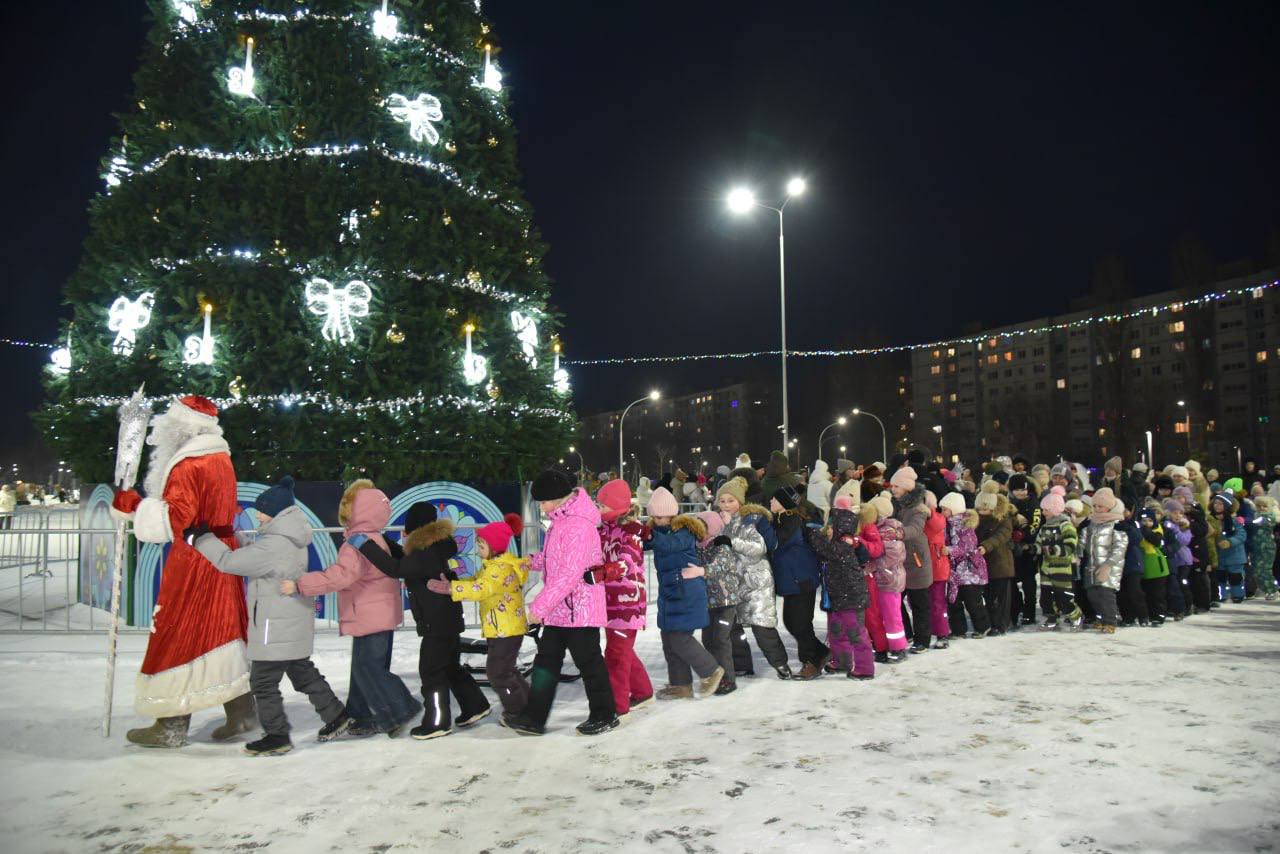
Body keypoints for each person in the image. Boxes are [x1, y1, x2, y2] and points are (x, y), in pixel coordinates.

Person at [110, 396, 252, 749]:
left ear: (182, 427)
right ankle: (242, 712)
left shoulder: (189, 465)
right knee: (222, 630)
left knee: (179, 632)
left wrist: (134, 507)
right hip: (221, 555)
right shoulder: (221, 459)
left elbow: (176, 518)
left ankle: (171, 724)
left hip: (195, 559)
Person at [196, 477, 348, 755]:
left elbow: (229, 562)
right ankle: (337, 715)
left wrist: (202, 539)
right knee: (303, 674)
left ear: (275, 512)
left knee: (263, 683)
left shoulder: (274, 544)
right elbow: (255, 556)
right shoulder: (289, 538)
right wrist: (233, 537)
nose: (257, 515)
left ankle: (277, 736)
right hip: (290, 622)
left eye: (262, 510)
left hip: (274, 627)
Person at [285, 480, 421, 737]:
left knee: (368, 668)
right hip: (376, 614)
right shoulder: (373, 538)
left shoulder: (358, 544)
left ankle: (401, 708)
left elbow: (341, 576)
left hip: (370, 615)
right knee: (363, 668)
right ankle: (361, 715)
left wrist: (302, 584)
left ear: (355, 511)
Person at [356, 500, 491, 740]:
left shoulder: (424, 551)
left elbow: (396, 568)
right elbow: (406, 562)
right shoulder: (433, 546)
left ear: (415, 527)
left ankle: (437, 722)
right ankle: (475, 705)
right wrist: (385, 542)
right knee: (449, 666)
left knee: (431, 672)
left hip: (436, 621)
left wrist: (366, 546)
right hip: (446, 618)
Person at [507, 469, 617, 736]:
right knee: (546, 662)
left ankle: (605, 714)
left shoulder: (578, 526)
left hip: (581, 609)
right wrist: (532, 561)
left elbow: (569, 573)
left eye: (543, 502)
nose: (541, 507)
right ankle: (534, 717)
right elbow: (555, 560)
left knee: (589, 663)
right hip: (561, 608)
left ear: (557, 498)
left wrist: (539, 607)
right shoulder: (560, 522)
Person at [447, 514, 532, 720]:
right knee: (506, 670)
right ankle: (529, 704)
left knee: (498, 673)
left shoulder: (500, 569)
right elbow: (476, 581)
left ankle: (517, 712)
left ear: (494, 547)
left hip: (506, 630)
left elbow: (481, 589)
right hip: (502, 628)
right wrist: (455, 581)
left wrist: (451, 588)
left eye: (481, 545)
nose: (478, 549)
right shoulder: (492, 566)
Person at [645, 488, 724, 699]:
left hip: (687, 592)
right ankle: (681, 685)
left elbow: (670, 545)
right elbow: (645, 543)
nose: (656, 521)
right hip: (671, 592)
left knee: (680, 638)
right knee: (669, 639)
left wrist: (649, 534)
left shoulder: (684, 532)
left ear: (671, 514)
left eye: (659, 517)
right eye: (653, 517)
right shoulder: (660, 531)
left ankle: (711, 670)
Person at [586, 480, 652, 718]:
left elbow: (627, 563)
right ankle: (643, 691)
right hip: (608, 601)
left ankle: (618, 706)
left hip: (627, 603)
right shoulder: (601, 530)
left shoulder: (631, 532)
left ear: (617, 507)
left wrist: (600, 574)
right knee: (622, 651)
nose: (599, 509)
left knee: (615, 655)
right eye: (598, 505)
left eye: (603, 506)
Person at [715, 477, 793, 679]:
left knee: (762, 626)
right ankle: (742, 663)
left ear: (740, 502)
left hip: (756, 582)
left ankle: (780, 663)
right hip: (733, 583)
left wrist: (732, 540)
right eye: (722, 501)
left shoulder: (749, 519)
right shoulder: (718, 522)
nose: (726, 505)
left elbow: (759, 548)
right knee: (733, 627)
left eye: (730, 500)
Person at [807, 495, 874, 679]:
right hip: (837, 596)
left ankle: (865, 668)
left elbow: (829, 551)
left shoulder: (844, 541)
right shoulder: (838, 541)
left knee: (855, 632)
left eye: (830, 527)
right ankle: (842, 661)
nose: (827, 530)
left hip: (851, 596)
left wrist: (813, 534)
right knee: (836, 631)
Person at [889, 467, 934, 653]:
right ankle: (906, 633)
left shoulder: (918, 508)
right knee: (895, 601)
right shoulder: (896, 505)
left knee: (919, 604)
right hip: (900, 562)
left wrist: (899, 533)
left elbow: (915, 529)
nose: (892, 489)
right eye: (892, 486)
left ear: (907, 487)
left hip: (916, 562)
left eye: (896, 486)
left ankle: (922, 640)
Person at [696, 509, 740, 695]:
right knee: (708, 639)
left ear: (711, 528)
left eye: (702, 528)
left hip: (725, 602)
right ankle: (714, 674)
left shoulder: (722, 545)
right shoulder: (699, 546)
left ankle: (728, 679)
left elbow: (720, 565)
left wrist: (702, 571)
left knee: (721, 640)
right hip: (708, 603)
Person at [865, 493, 909, 662]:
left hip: (889, 579)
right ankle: (884, 646)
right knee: (880, 615)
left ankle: (899, 648)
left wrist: (872, 566)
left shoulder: (888, 530)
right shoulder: (876, 528)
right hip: (880, 579)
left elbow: (893, 555)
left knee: (892, 616)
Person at [942, 492, 989, 638]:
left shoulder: (965, 525)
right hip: (954, 570)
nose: (942, 512)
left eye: (945, 509)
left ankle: (983, 626)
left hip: (970, 571)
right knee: (953, 601)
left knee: (972, 600)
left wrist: (949, 550)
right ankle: (958, 630)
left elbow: (967, 546)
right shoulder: (947, 525)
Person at [1035, 486, 1081, 629]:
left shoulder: (1065, 525)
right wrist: (1030, 548)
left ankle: (1075, 616)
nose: (1043, 513)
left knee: (1063, 595)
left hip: (1062, 568)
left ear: (1055, 509)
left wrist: (1051, 550)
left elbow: (1070, 546)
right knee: (1046, 597)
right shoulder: (1044, 527)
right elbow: (1039, 544)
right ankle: (1051, 618)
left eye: (1046, 510)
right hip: (1046, 569)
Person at [1082, 488, 1127, 634]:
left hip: (1109, 566)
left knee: (1106, 594)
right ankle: (1101, 618)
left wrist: (1108, 564)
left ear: (1109, 506)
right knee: (1092, 594)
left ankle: (1110, 621)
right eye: (1094, 506)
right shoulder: (1091, 523)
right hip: (1092, 565)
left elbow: (1120, 547)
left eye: (1100, 506)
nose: (1097, 509)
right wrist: (1077, 553)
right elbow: (1083, 541)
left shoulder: (1116, 524)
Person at [975, 484, 1014, 635]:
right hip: (983, 565)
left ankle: (1001, 624)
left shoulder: (1003, 520)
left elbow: (1001, 536)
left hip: (1000, 565)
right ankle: (991, 622)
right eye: (979, 509)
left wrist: (985, 546)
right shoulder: (976, 519)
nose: (981, 512)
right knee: (988, 596)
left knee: (1001, 598)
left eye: (985, 509)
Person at [1007, 473, 1042, 629]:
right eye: (1017, 490)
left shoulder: (1033, 503)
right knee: (1012, 581)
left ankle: (1029, 613)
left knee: (1029, 583)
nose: (1021, 493)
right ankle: (1016, 607)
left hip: (1028, 550)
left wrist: (1023, 534)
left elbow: (1035, 524)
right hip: (1013, 549)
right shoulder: (1009, 503)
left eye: (1023, 489)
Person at [924, 491, 952, 649]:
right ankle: (930, 631)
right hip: (923, 566)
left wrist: (929, 511)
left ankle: (942, 633)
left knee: (937, 602)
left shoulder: (937, 518)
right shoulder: (918, 517)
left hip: (937, 567)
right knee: (926, 603)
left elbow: (937, 525)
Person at [1136, 506, 1170, 625]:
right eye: (1144, 521)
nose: (1147, 523)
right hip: (1142, 566)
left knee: (1157, 594)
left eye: (1150, 520)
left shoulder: (1157, 531)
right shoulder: (1136, 531)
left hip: (1156, 568)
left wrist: (1145, 530)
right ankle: (1148, 614)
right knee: (1146, 593)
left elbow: (1156, 541)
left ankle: (1158, 615)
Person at [1211, 491, 1247, 604]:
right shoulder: (1212, 520)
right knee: (1220, 577)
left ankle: (1238, 595)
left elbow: (1242, 535)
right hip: (1219, 556)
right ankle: (1221, 595)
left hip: (1235, 556)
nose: (1217, 506)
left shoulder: (1234, 521)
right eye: (1215, 503)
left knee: (1235, 577)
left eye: (1220, 504)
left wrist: (1230, 542)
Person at [1250, 496, 1278, 600]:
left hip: (1267, 548)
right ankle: (1263, 588)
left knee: (1265, 570)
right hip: (1256, 547)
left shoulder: (1270, 517)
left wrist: (1246, 521)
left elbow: (1261, 521)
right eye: (1259, 506)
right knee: (1256, 570)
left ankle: (1272, 590)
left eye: (1264, 506)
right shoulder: (1255, 515)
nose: (1261, 508)